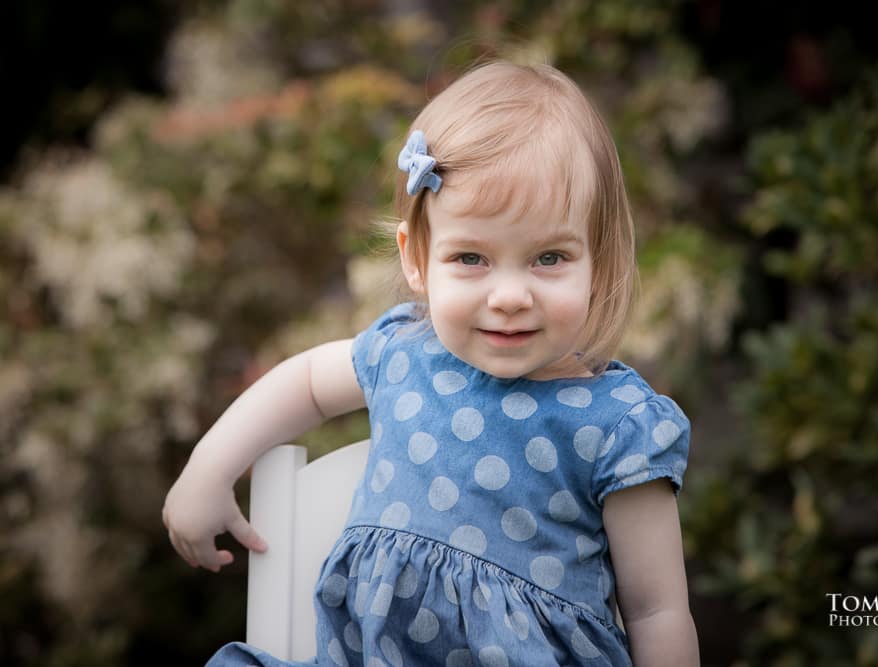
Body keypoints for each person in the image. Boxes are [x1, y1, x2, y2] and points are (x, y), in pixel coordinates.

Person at [163, 60, 699, 667]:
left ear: (597, 263)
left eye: (549, 258)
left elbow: (658, 611)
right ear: (417, 258)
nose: (509, 295)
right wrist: (208, 470)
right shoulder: (404, 355)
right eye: (471, 257)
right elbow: (308, 384)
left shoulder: (617, 426)